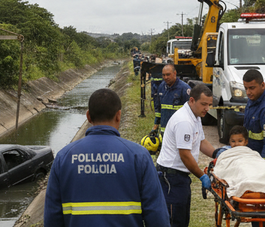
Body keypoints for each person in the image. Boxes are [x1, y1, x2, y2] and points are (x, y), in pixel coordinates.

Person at [44, 88, 169, 226]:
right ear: (118, 115)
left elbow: (52, 217)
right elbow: (157, 215)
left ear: (88, 117)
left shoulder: (63, 157)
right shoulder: (139, 156)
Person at [156, 84, 215, 227]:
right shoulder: (184, 121)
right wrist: (202, 176)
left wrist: (216, 153)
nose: (207, 108)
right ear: (192, 100)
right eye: (204, 104)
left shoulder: (195, 116)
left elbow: (201, 141)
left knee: (182, 219)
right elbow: (185, 155)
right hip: (171, 177)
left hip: (181, 178)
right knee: (174, 220)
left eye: (209, 105)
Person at [153, 64, 191, 135]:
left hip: (179, 131)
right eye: (163, 75)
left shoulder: (184, 89)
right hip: (164, 131)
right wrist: (155, 126)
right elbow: (158, 109)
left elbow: (190, 112)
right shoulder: (161, 87)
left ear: (175, 73)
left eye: (168, 74)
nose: (165, 77)